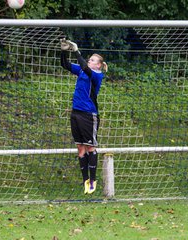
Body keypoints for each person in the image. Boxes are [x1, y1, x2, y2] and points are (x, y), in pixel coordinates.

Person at [60, 38, 108, 194]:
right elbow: (65, 65)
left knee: (90, 147)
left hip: (89, 115)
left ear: (98, 65)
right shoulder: (82, 69)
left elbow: (85, 68)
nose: (89, 61)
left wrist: (76, 51)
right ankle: (85, 181)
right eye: (89, 59)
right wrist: (63, 51)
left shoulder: (96, 75)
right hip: (76, 113)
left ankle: (93, 180)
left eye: (93, 60)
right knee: (80, 147)